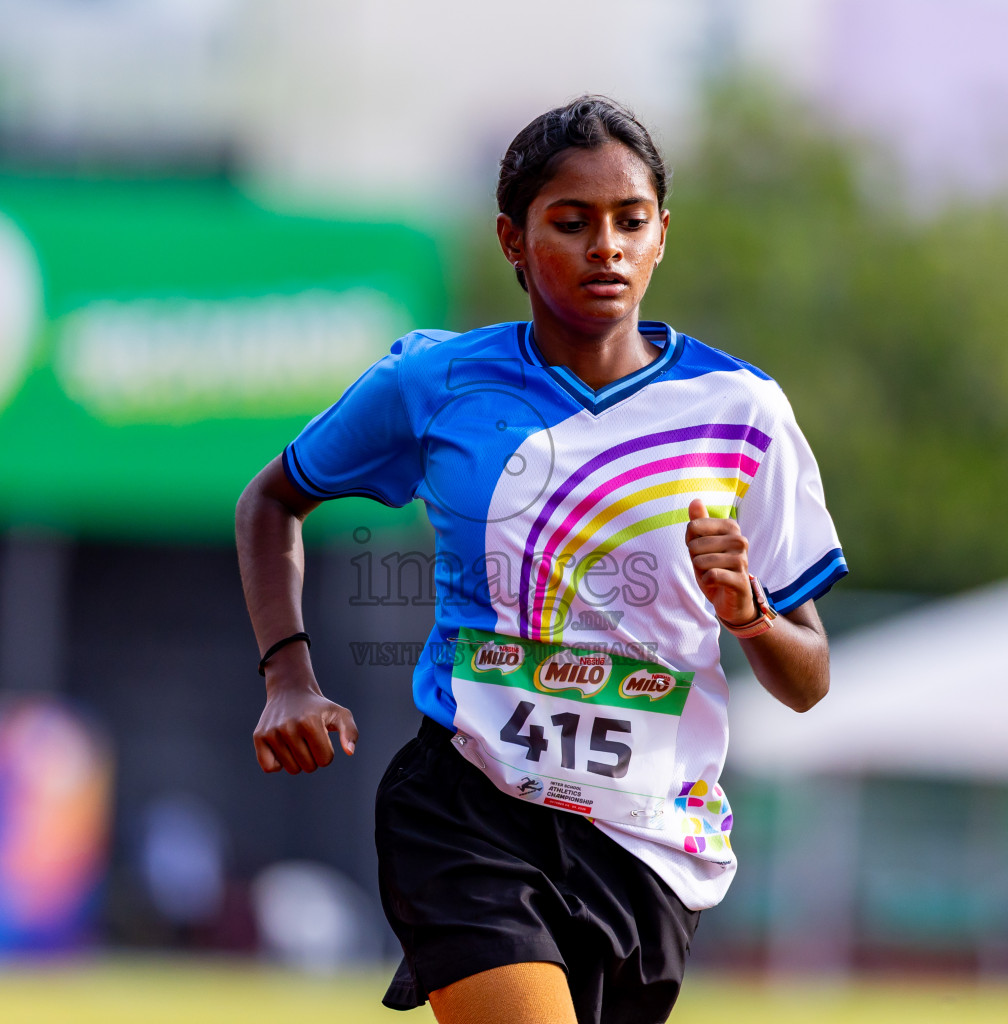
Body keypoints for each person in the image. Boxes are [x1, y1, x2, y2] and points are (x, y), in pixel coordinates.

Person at [236, 95, 846, 1024]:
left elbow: (807, 681)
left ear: (662, 236)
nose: (606, 247)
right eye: (571, 223)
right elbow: (272, 499)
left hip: (644, 842)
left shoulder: (741, 411)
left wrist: (749, 613)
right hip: (467, 806)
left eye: (630, 222)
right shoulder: (433, 384)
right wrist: (288, 675)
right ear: (512, 241)